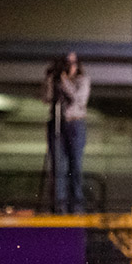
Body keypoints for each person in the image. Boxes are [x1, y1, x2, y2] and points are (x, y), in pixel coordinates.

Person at [42, 52, 90, 214]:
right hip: (57, 124)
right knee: (58, 167)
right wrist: (50, 80)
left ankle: (76, 206)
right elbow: (46, 98)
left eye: (72, 63)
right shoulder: (56, 80)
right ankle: (59, 206)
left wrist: (64, 81)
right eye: (66, 63)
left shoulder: (83, 80)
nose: (69, 67)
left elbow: (78, 99)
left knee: (75, 166)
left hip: (75, 124)